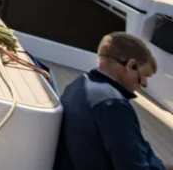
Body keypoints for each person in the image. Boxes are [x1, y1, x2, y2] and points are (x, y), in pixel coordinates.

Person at [54, 32, 172, 170]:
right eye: (144, 75)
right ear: (131, 65)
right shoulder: (112, 105)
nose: (144, 84)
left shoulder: (77, 85)